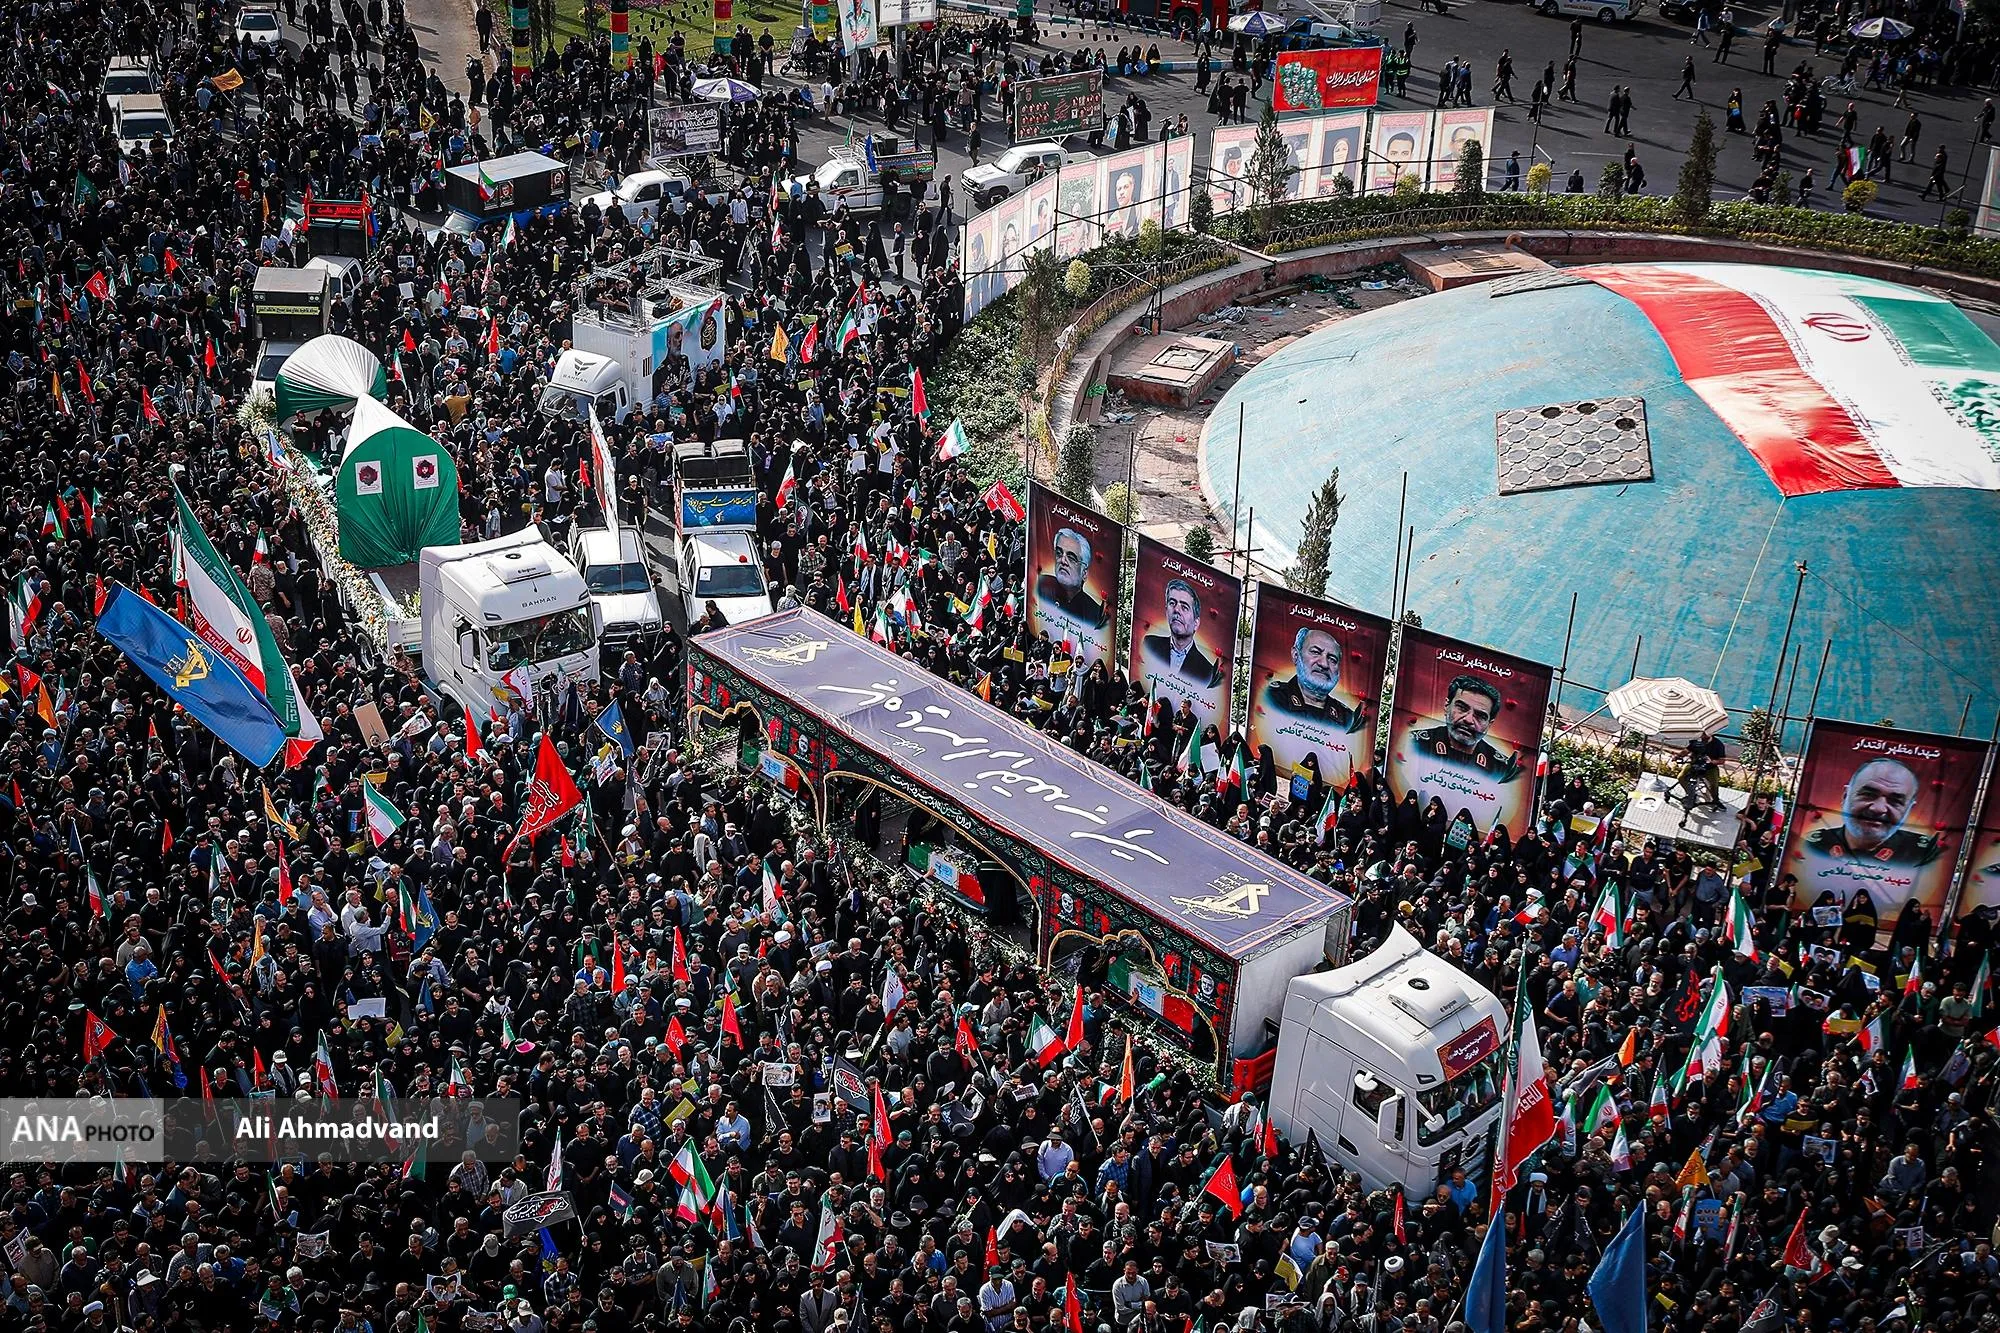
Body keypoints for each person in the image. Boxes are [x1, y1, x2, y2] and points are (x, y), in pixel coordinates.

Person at [1802, 759, 1943, 865]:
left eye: (1895, 801)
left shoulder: (1926, 855)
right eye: (1868, 795)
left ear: (1909, 809)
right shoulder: (1810, 846)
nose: (1878, 809)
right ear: (1845, 796)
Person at [1412, 676, 1521, 778]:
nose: (1468, 720)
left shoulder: (1502, 769)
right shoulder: (1413, 743)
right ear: (1447, 706)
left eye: (1480, 716)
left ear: (1489, 724)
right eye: (1462, 708)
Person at [1265, 626, 1364, 731]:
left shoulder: (1348, 719)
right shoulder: (1270, 697)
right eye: (1316, 652)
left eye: (1332, 659)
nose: (1324, 664)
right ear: (1296, 655)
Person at [1140, 578, 1224, 689]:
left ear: (1196, 623)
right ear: (1166, 611)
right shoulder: (1150, 644)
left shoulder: (1207, 671)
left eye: (1184, 607)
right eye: (1172, 603)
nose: (1176, 610)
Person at [1034, 527, 1109, 628]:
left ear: (1084, 573)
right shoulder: (1040, 585)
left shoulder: (1095, 614)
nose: (1063, 561)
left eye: (1071, 558)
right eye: (1059, 553)